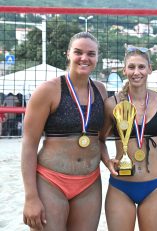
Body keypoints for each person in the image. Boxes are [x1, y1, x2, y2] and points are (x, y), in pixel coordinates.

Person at [21, 32, 108, 230]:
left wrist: (108, 161)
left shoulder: (101, 91)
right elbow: (29, 143)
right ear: (68, 54)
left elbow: (100, 140)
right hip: (51, 181)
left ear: (97, 58)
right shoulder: (48, 90)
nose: (84, 58)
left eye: (91, 53)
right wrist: (31, 197)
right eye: (78, 52)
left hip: (89, 183)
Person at [99, 46, 157, 231]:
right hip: (121, 187)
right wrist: (107, 160)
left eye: (141, 67)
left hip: (154, 186)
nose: (136, 72)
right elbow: (99, 139)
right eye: (131, 67)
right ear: (124, 70)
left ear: (149, 68)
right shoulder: (112, 104)